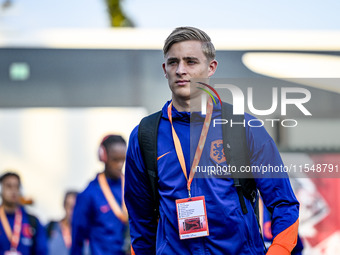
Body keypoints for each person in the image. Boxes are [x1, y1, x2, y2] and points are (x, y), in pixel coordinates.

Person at [124, 26, 300, 254]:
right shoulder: (145, 136)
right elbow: (140, 220)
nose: (181, 70)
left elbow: (284, 203)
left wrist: (279, 250)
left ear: (211, 67)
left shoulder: (245, 127)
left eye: (191, 61)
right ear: (164, 69)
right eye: (173, 62)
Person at [71, 135, 128, 255]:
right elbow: (77, 239)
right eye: (115, 160)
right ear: (103, 156)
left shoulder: (131, 187)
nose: (119, 165)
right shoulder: (89, 194)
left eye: (123, 160)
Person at [0, 171, 48, 255]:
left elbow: (42, 251)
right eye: (9, 186)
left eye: (17, 186)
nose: (13, 190)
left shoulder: (32, 221)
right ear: (1, 190)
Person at [46, 191, 83, 255]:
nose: (72, 211)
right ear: (64, 206)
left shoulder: (88, 233)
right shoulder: (50, 228)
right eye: (69, 207)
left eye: (75, 207)